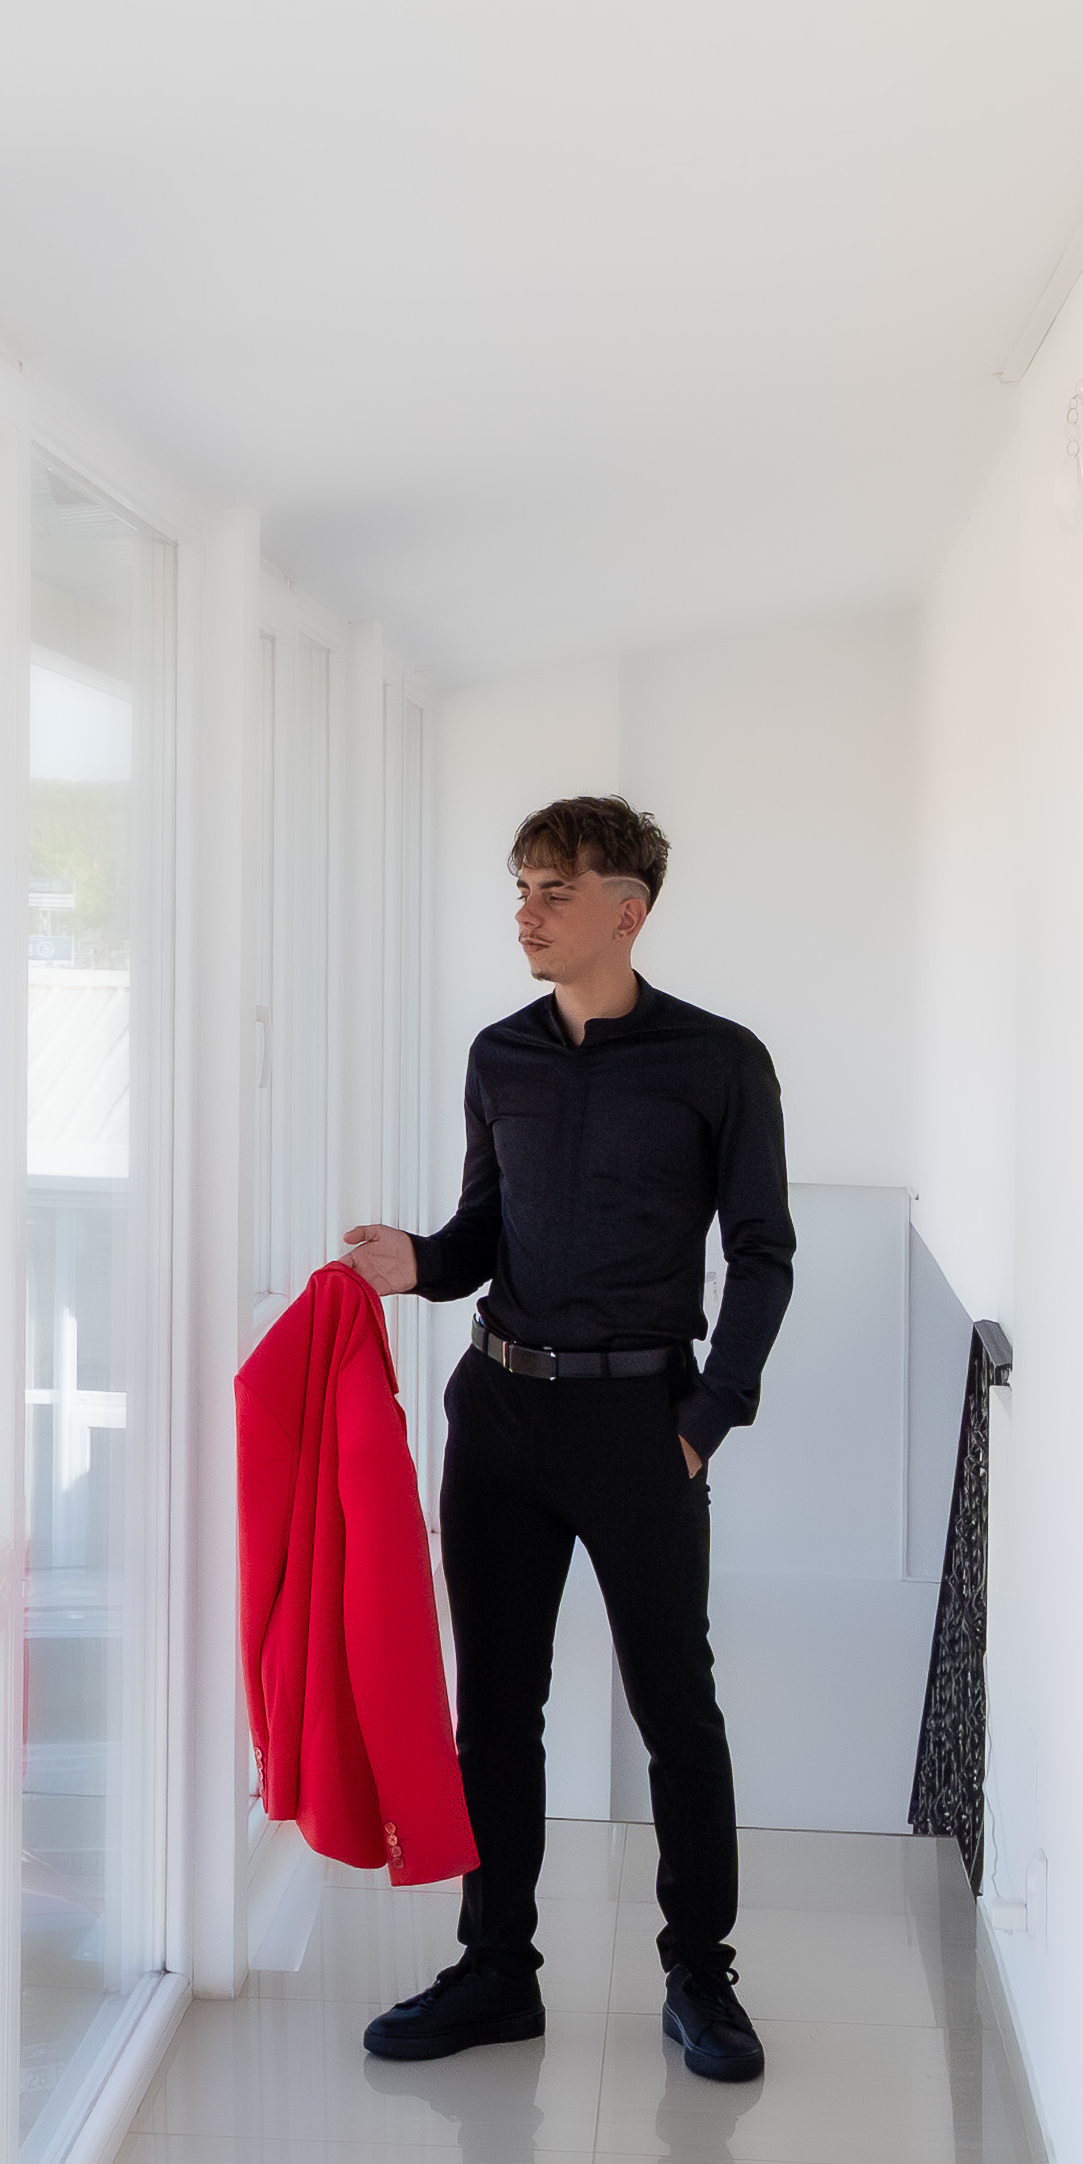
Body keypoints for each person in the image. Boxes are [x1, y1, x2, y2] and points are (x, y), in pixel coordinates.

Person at [342, 793, 792, 2082]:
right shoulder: (501, 1056)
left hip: (642, 1426)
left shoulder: (719, 1062)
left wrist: (708, 1419)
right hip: (500, 1417)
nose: (527, 914)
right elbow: (485, 1231)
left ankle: (700, 1977)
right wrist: (420, 1262)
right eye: (521, 889)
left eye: (556, 891)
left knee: (675, 1709)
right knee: (496, 1707)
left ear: (626, 911)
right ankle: (496, 1972)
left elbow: (763, 1257)